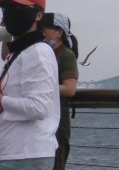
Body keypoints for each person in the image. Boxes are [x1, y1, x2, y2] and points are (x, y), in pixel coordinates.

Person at [0, 0, 60, 170]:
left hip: (26, 156)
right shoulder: (20, 52)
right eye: (7, 8)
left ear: (39, 15)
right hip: (16, 153)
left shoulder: (38, 53)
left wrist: (2, 101)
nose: (10, 13)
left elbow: (38, 107)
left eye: (19, 8)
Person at [42, 13, 79, 170]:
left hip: (58, 120)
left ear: (59, 32)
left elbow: (70, 89)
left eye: (47, 27)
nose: (42, 30)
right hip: (44, 115)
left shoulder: (66, 55)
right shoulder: (44, 53)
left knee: (57, 159)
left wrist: (39, 89)